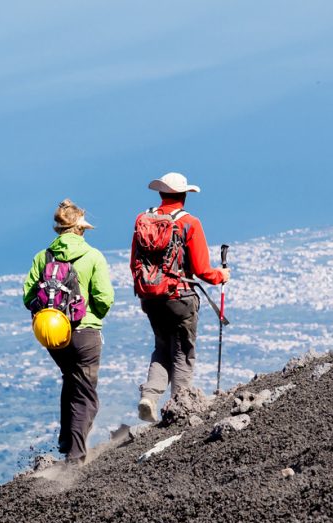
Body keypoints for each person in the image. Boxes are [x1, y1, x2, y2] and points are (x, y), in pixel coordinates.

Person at [131, 172, 231, 422]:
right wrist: (221, 276)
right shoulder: (189, 223)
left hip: (150, 297)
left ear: (161, 193)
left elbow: (135, 261)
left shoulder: (143, 219)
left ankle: (150, 396)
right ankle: (180, 406)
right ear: (184, 195)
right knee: (183, 352)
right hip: (180, 297)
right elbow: (201, 269)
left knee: (162, 348)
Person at [24, 199, 114, 464]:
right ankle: (75, 455)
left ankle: (65, 439)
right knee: (86, 392)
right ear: (81, 228)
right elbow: (104, 298)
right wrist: (92, 316)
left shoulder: (43, 257)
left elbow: (28, 296)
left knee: (70, 378)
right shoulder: (93, 256)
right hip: (85, 332)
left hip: (52, 332)